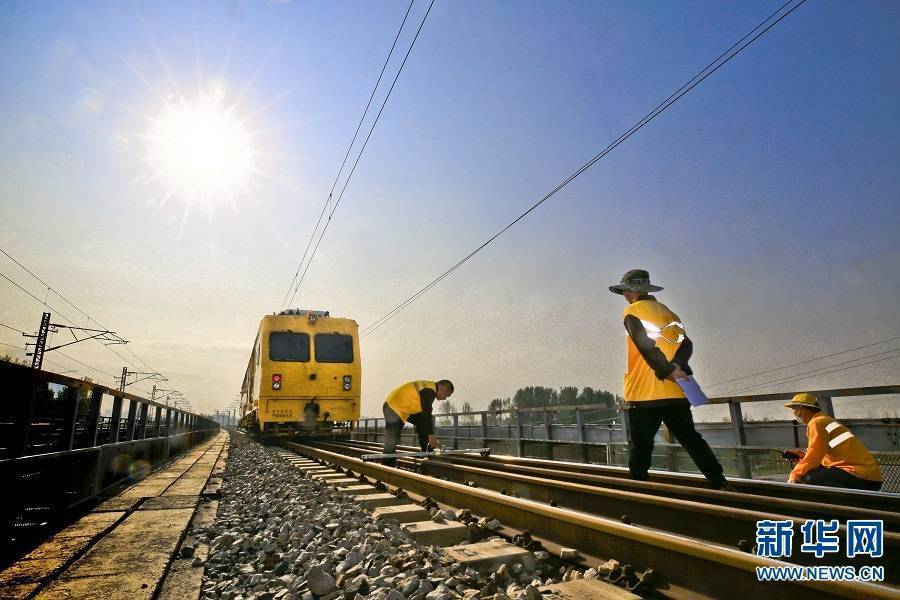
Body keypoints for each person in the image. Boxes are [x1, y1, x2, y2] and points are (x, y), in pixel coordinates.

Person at [610, 268, 728, 489]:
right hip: (676, 392)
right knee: (690, 438)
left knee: (641, 442)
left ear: (630, 292)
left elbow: (645, 345)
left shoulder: (632, 311)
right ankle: (718, 480)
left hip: (645, 392)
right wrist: (678, 367)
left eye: (625, 291)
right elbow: (687, 344)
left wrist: (666, 370)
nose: (624, 296)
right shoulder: (670, 313)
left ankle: (638, 485)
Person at [783, 393, 882, 491]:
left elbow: (814, 457)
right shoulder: (825, 420)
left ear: (802, 409)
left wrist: (795, 474)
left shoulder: (816, 423)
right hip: (869, 476)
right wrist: (800, 456)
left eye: (794, 409)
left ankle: (846, 505)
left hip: (859, 475)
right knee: (815, 473)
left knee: (811, 478)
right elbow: (821, 453)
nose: (794, 413)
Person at [381, 379, 454, 466]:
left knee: (422, 422)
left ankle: (426, 450)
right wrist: (431, 435)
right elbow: (426, 412)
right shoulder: (429, 390)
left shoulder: (429, 388)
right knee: (393, 438)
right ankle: (388, 466)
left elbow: (424, 417)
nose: (445, 399)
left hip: (401, 408)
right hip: (393, 407)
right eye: (447, 395)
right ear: (443, 389)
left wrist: (430, 435)